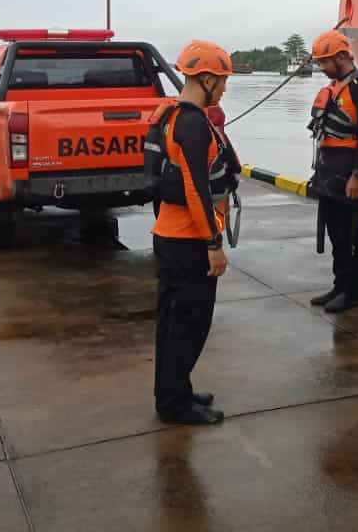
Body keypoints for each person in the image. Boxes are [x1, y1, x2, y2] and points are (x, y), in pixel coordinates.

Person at [148, 39, 241, 426]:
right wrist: (213, 243)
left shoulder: (169, 116)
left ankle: (174, 390)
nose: (223, 89)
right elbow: (195, 188)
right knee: (189, 323)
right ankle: (174, 405)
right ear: (204, 78)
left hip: (169, 234)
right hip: (189, 240)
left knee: (172, 321)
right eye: (220, 81)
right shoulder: (192, 124)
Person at [306, 29, 358, 314]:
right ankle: (340, 284)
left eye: (325, 62)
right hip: (328, 169)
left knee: (351, 234)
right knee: (335, 232)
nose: (322, 68)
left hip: (349, 169)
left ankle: (353, 293)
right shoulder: (336, 86)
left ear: (341, 56)